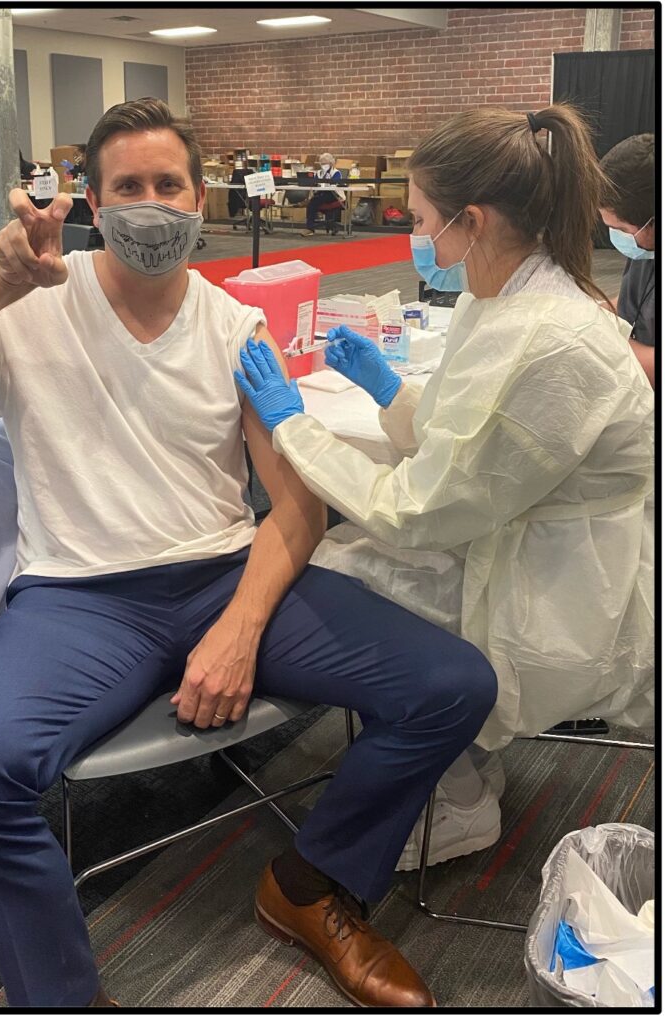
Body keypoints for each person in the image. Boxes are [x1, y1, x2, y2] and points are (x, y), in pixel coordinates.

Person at [0, 97, 497, 1009]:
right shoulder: (30, 308)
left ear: (199, 195)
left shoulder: (231, 322)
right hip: (78, 598)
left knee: (451, 684)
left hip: (226, 572)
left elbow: (295, 503)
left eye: (168, 184)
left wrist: (239, 625)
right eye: (128, 186)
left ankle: (308, 887)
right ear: (93, 203)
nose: (152, 203)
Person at [237, 103, 654, 870]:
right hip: (517, 538)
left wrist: (294, 427)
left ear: (471, 219)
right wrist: (390, 391)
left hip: (554, 586)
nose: (415, 236)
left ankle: (456, 800)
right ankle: (457, 758)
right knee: (347, 556)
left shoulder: (545, 336)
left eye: (421, 218)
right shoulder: (499, 297)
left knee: (332, 573)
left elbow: (421, 508)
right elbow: (473, 443)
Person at [599, 134, 655, 386]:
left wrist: (596, 335)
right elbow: (632, 302)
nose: (617, 236)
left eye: (620, 228)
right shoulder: (646, 248)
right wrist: (590, 309)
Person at [299, 152, 344, 236]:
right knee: (314, 201)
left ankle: (310, 228)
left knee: (312, 203)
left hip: (333, 195)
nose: (323, 165)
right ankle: (313, 226)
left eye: (325, 163)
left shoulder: (336, 173)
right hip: (320, 193)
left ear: (331, 163)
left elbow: (334, 185)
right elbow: (315, 183)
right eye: (321, 163)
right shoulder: (318, 173)